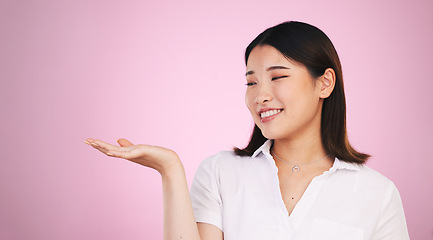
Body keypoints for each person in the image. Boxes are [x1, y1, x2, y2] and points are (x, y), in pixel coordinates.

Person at [85, 21, 409, 240]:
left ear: (324, 83)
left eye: (277, 77)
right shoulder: (221, 172)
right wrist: (169, 169)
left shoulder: (377, 194)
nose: (260, 95)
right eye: (251, 82)